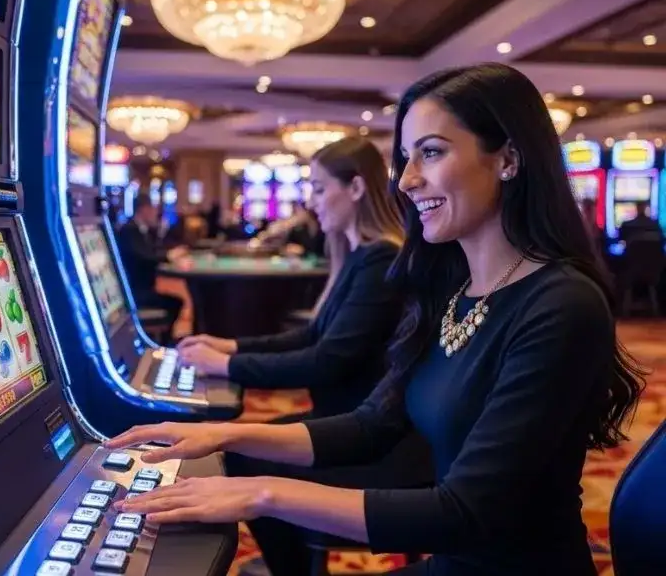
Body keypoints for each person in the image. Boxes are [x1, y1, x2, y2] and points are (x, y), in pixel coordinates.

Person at [105, 64, 646, 576]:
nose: (406, 181)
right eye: (406, 158)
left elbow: (466, 513)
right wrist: (226, 436)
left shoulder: (562, 304)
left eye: (431, 153)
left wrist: (261, 493)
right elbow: (372, 425)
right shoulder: (452, 289)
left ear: (508, 158)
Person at [178, 136, 407, 420]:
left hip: (356, 429)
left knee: (221, 450)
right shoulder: (357, 255)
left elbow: (326, 362)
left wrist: (226, 365)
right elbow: (312, 336)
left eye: (319, 190)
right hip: (335, 418)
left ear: (357, 188)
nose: (310, 202)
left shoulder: (381, 259)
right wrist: (231, 347)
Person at [116, 194, 188, 342]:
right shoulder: (129, 230)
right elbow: (144, 257)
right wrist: (169, 256)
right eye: (153, 208)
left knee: (175, 302)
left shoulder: (141, 229)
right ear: (144, 210)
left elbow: (153, 252)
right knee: (176, 303)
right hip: (134, 293)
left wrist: (170, 255)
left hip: (142, 289)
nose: (156, 212)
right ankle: (163, 343)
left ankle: (163, 342)